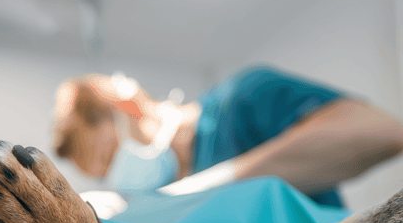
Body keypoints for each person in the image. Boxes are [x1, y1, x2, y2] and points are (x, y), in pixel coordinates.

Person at [51, 67, 403, 207]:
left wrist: (205, 188)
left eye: (112, 156)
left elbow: (381, 132)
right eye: (106, 174)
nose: (118, 175)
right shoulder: (155, 202)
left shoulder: (242, 100)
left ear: (126, 106)